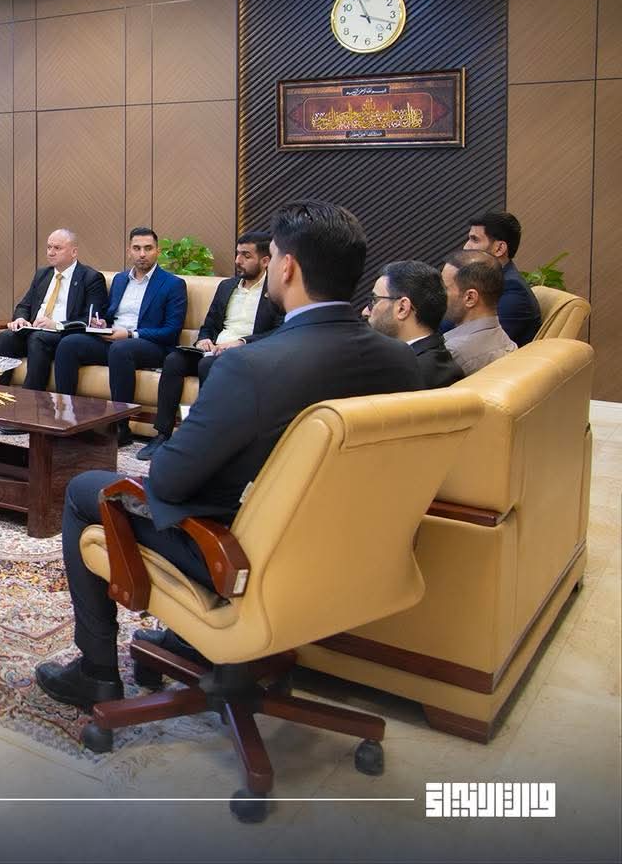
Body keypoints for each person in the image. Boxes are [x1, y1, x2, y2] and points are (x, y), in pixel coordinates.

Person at [33, 200, 423, 711]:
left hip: (240, 554)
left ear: (286, 267)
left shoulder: (253, 366)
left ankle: (96, 672)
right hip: (353, 554)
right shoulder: (403, 363)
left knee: (87, 489)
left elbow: (167, 482)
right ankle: (188, 641)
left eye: (272, 255)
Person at [135, 232, 282, 461]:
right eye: (237, 254)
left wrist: (242, 342)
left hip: (247, 353)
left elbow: (279, 330)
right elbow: (209, 325)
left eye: (246, 256)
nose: (238, 261)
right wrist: (204, 339)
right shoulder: (227, 286)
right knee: (174, 360)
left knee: (207, 365)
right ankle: (163, 434)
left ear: (265, 261)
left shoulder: (274, 291)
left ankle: (205, 439)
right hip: (214, 349)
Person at [51, 228, 187, 447]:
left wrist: (131, 334)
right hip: (114, 339)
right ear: (128, 251)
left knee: (121, 349)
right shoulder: (120, 279)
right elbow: (110, 315)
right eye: (137, 248)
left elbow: (171, 331)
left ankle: (120, 427)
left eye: (148, 248)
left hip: (150, 345)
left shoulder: (173, 284)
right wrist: (101, 324)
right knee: (69, 344)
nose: (142, 254)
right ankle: (65, 419)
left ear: (157, 251)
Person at [0, 229, 107, 431]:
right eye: (49, 247)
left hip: (65, 336)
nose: (51, 252)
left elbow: (92, 318)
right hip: (35, 331)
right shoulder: (43, 274)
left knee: (38, 339)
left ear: (74, 252)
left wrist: (57, 324)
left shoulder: (91, 278)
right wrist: (20, 319)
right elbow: (24, 305)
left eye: (57, 248)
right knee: (7, 337)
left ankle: (27, 412)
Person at [444, 211, 541, 346]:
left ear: (499, 248)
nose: (466, 246)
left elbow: (482, 342)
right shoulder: (485, 280)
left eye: (475, 240)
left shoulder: (513, 291)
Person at [363, 260, 464, 389]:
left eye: (374, 300)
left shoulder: (405, 376)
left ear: (402, 308)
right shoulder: (434, 361)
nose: (365, 312)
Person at [441, 250, 517, 375]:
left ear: (470, 298)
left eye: (444, 288)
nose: (438, 293)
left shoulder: (453, 352)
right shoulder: (505, 342)